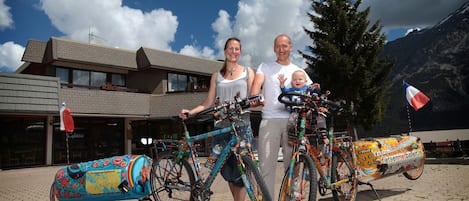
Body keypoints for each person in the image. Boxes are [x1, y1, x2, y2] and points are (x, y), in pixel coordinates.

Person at [179, 37, 255, 201]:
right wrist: (190, 112)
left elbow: (253, 98)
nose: (233, 51)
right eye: (230, 48)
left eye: (237, 49)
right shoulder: (216, 76)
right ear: (225, 51)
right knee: (226, 169)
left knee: (242, 168)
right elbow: (208, 102)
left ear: (240, 52)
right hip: (221, 126)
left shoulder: (248, 72)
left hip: (241, 125)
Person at [250, 34, 313, 198]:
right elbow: (256, 86)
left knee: (293, 166)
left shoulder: (298, 71)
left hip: (293, 121)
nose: (281, 49)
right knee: (266, 167)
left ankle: (292, 197)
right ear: (274, 49)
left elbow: (311, 92)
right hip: (269, 120)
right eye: (278, 46)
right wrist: (255, 97)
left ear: (290, 47)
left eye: (284, 46)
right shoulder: (265, 66)